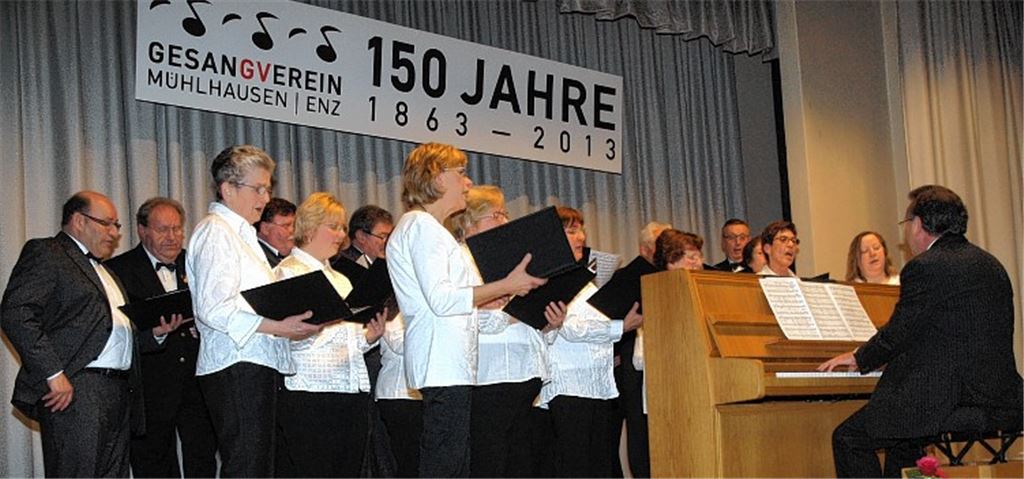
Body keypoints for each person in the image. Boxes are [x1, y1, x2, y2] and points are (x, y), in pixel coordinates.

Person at [819, 185, 1023, 478]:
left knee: (849, 438)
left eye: (906, 223)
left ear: (918, 224)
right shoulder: (991, 265)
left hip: (948, 401)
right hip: (1001, 399)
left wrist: (859, 358)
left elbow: (899, 332)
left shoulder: (925, 267)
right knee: (902, 443)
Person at [385, 142, 546, 477]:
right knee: (445, 463)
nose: (468, 183)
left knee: (453, 461)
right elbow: (443, 299)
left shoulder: (429, 229)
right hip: (442, 362)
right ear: (437, 177)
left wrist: (491, 296)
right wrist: (506, 286)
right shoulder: (422, 227)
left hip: (448, 362)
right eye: (460, 173)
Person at [2, 191, 159, 477]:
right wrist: (53, 374)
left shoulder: (106, 270)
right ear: (78, 221)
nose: (114, 233)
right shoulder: (48, 252)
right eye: (106, 224)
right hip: (79, 388)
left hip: (119, 390)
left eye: (116, 226)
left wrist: (155, 334)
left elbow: (106, 330)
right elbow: (16, 311)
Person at [186, 145, 321, 477]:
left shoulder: (241, 234)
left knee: (259, 467)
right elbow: (214, 308)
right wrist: (278, 327)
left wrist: (296, 323)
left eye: (268, 187)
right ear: (228, 188)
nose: (265, 196)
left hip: (255, 363)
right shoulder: (216, 231)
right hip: (236, 364)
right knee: (247, 466)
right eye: (257, 188)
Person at [447, 185, 565, 478]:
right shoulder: (460, 260)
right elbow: (462, 316)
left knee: (518, 463)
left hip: (525, 374)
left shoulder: (510, 260)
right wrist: (508, 313)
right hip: (490, 377)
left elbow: (513, 315)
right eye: (494, 215)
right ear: (468, 221)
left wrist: (548, 321)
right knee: (489, 462)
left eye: (504, 214)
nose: (504, 221)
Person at [272, 192, 386, 477]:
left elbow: (348, 337)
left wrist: (369, 335)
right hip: (309, 391)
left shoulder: (341, 279)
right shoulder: (288, 272)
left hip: (348, 389)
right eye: (333, 227)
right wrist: (320, 327)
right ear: (309, 227)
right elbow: (285, 338)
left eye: (342, 227)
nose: (341, 235)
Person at [104, 197, 218, 478]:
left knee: (203, 457)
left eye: (177, 229)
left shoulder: (197, 263)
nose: (172, 237)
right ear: (142, 230)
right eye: (162, 229)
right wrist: (153, 334)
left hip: (198, 381)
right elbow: (115, 330)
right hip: (150, 386)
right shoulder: (118, 270)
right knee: (152, 462)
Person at [540, 206, 644, 478]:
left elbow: (596, 318)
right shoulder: (549, 277)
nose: (581, 237)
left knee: (599, 466)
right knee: (574, 467)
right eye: (572, 231)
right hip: (568, 386)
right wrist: (622, 326)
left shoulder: (586, 280)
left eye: (581, 230)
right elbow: (571, 328)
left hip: (598, 385)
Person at [375, 310, 422, 478]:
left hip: (423, 393)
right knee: (410, 459)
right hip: (399, 393)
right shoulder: (392, 311)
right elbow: (400, 345)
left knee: (421, 459)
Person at [256, 197, 297, 267]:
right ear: (265, 229)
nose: (292, 230)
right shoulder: (259, 259)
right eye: (286, 225)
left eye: (294, 224)